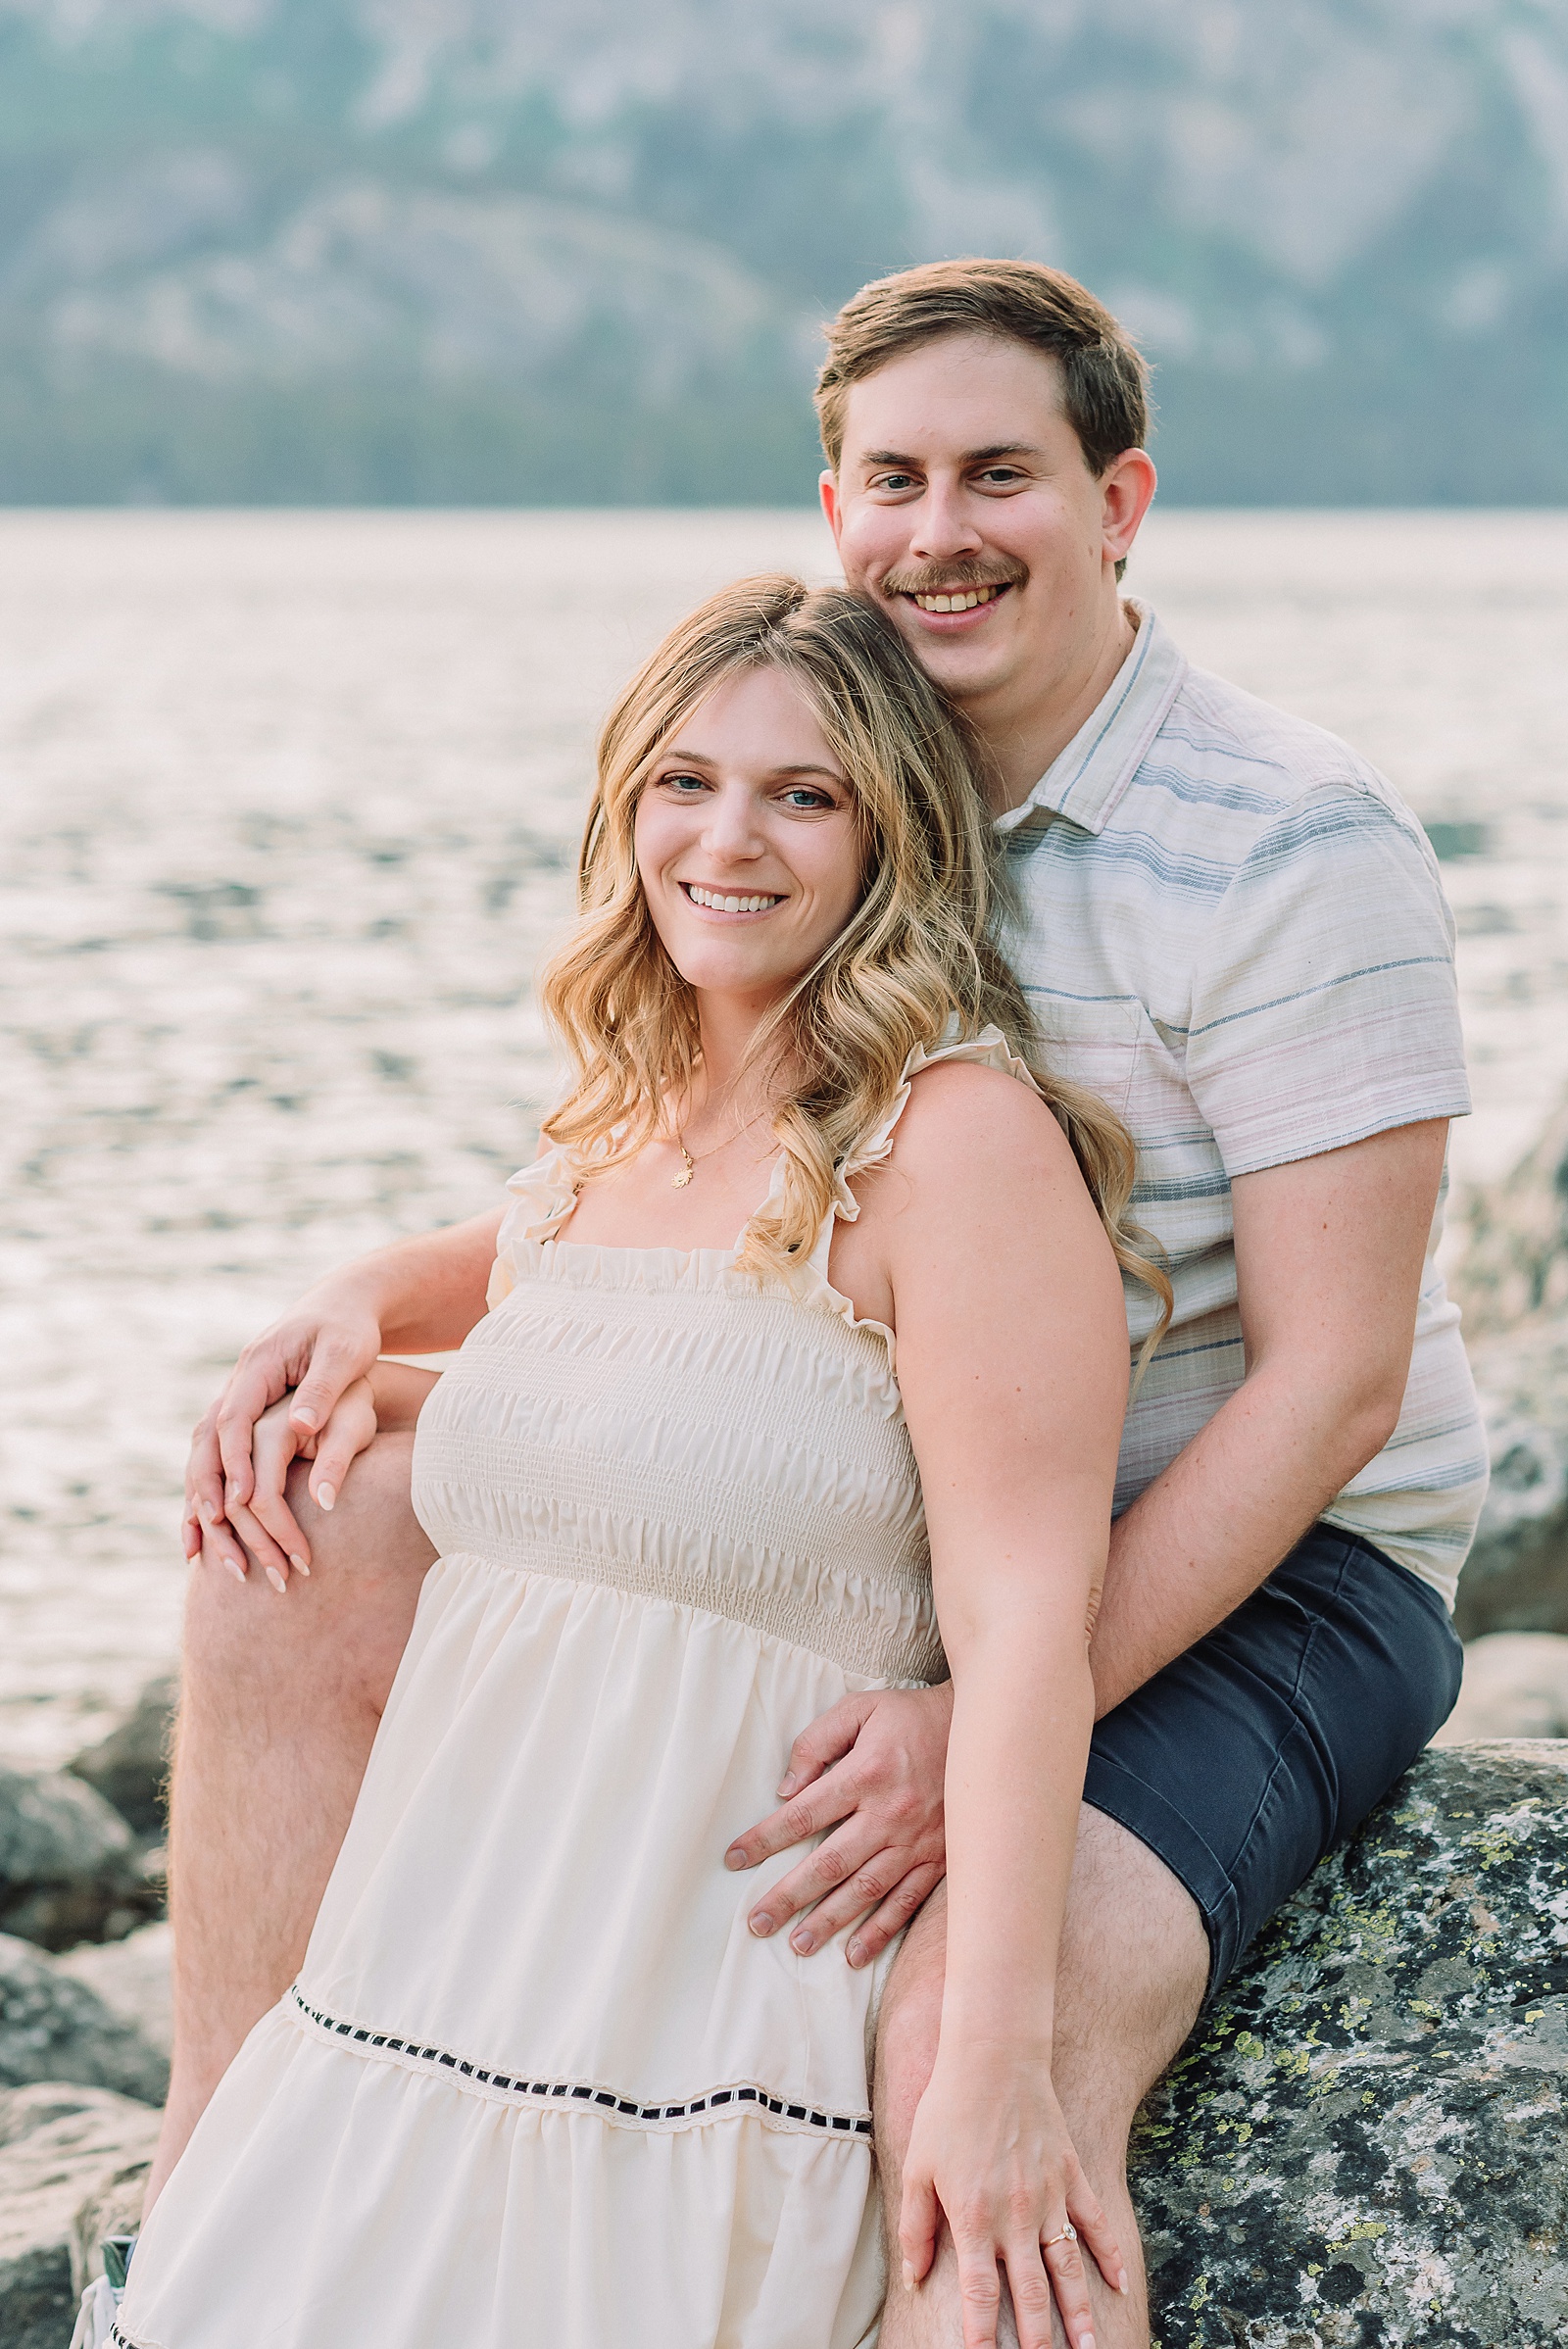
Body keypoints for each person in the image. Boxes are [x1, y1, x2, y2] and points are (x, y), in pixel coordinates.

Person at [164, 262, 1485, 2348]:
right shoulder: (846, 780)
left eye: (998, 473)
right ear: (831, 499)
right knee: (295, 1519)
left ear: (1117, 495)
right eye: (891, 475)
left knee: (980, 2035)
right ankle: (238, 2178)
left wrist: (971, 1715)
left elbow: (1337, 1378)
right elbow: (689, 1173)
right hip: (882, 1483)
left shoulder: (1278, 845)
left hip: (1257, 1566)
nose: (935, 527)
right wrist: (361, 1299)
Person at [118, 576, 1154, 2347]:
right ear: (624, 809)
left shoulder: (956, 1143)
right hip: (426, 1986)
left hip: (695, 2025)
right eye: (683, 781)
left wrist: (990, 2067)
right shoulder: (616, 1125)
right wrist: (363, 1315)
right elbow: (627, 1421)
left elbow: (1028, 1628)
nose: (726, 836)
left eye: (801, 794)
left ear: (890, 837)